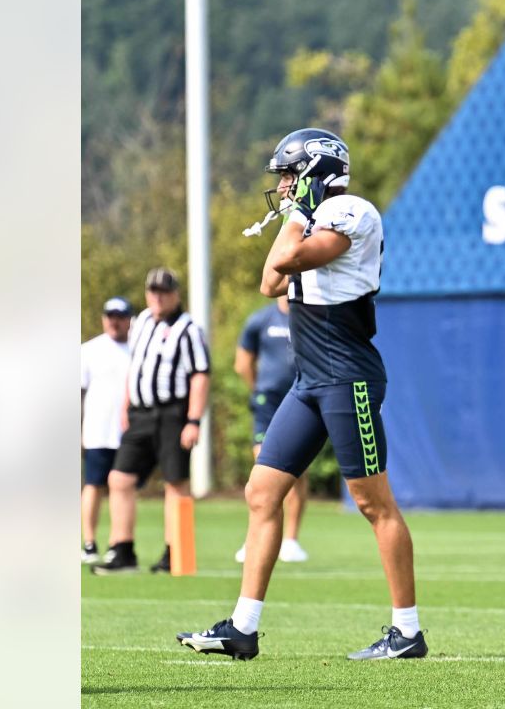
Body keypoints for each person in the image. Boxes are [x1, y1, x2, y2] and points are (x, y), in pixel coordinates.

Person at [179, 128, 426, 662]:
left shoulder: (353, 212)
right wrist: (298, 212)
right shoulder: (308, 217)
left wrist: (299, 213)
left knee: (372, 502)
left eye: (292, 175)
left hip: (348, 375)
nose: (285, 186)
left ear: (316, 174)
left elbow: (286, 261)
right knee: (261, 493)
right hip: (310, 379)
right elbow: (269, 284)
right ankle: (243, 628)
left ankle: (407, 631)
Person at [92, 268, 210, 575]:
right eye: (153, 291)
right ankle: (122, 549)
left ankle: (175, 552)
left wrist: (194, 420)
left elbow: (200, 375)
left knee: (175, 483)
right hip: (140, 413)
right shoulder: (142, 321)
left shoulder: (188, 329)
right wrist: (126, 406)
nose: (158, 297)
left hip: (172, 413)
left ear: (175, 294)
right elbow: (136, 365)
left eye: (164, 291)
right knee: (120, 478)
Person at [233, 296, 308, 563]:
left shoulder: (309, 315)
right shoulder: (260, 320)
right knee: (263, 470)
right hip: (269, 402)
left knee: (298, 472)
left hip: (301, 401)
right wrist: (258, 391)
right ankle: (254, 540)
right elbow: (242, 362)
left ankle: (290, 540)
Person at [80, 297, 133, 563]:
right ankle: (88, 542)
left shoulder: (139, 348)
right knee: (93, 485)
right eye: (110, 316)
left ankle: (117, 542)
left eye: (120, 316)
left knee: (121, 487)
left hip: (130, 433)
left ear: (129, 319)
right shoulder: (89, 350)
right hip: (97, 431)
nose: (115, 321)